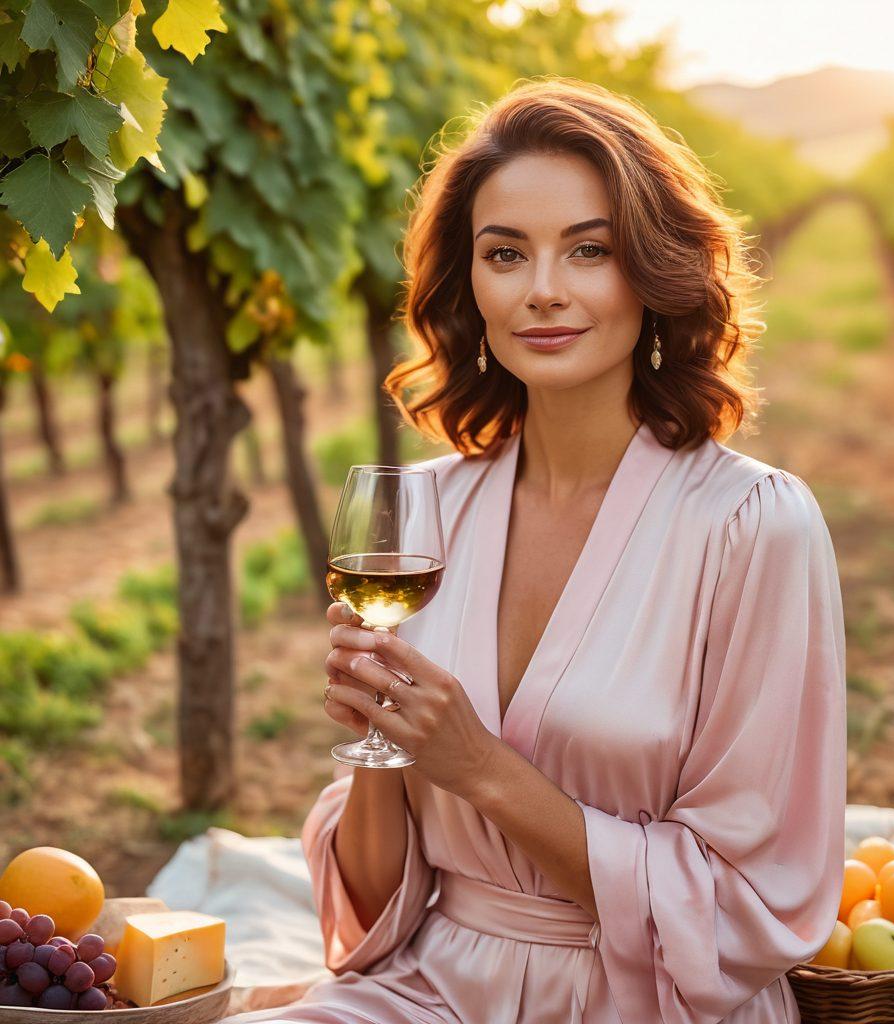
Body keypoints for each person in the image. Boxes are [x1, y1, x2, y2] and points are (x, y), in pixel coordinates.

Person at [224, 76, 847, 1024]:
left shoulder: (753, 525)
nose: (544, 291)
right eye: (505, 253)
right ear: (468, 286)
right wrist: (383, 745)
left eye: (588, 250)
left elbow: (746, 908)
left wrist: (477, 766)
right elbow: (371, 923)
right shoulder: (420, 519)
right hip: (430, 985)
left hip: (651, 997)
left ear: (651, 271)